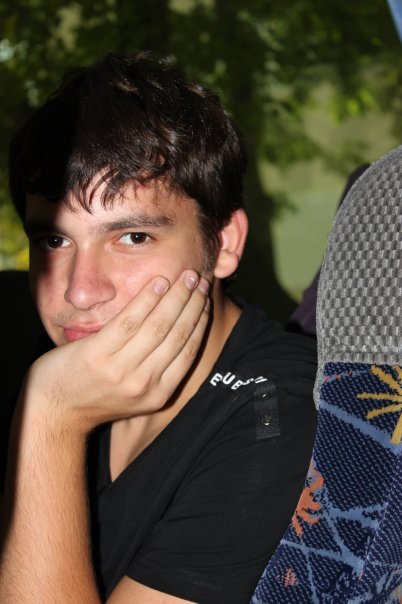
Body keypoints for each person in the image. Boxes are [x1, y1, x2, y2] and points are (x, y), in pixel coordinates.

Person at [0, 51, 317, 604]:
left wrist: (52, 419)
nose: (80, 291)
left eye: (133, 237)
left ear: (225, 244)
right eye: (54, 240)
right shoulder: (45, 357)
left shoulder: (280, 420)